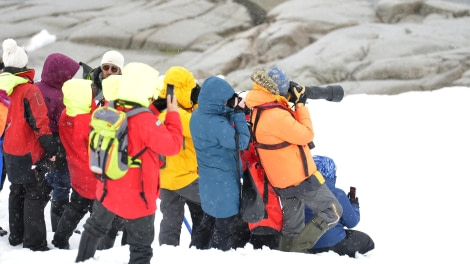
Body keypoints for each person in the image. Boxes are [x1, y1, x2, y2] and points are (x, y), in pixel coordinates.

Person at [75, 62, 183, 264]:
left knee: (94, 228)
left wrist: (153, 108)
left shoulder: (112, 107)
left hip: (108, 188)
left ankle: (82, 260)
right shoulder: (145, 121)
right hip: (137, 195)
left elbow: (133, 122)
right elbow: (173, 146)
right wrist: (173, 113)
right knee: (141, 249)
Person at [244, 66, 343, 253]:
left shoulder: (260, 107)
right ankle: (299, 250)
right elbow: (305, 135)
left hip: (281, 179)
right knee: (333, 211)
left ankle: (289, 255)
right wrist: (301, 105)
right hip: (299, 177)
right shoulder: (275, 114)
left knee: (292, 227)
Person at [0, 38, 57, 251]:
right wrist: (51, 148)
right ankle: (35, 242)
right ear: (24, 66)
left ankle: (16, 235)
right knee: (34, 193)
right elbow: (40, 123)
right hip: (28, 151)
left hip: (8, 150)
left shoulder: (2, 89)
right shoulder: (29, 90)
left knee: (16, 190)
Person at [189, 76, 250, 251]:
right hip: (224, 182)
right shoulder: (216, 124)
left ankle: (196, 251)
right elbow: (241, 141)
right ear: (218, 101)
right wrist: (239, 114)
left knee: (207, 222)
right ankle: (218, 257)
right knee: (224, 228)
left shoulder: (199, 115)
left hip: (208, 180)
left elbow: (219, 120)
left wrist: (231, 109)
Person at [155, 66, 204, 247]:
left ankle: (167, 254)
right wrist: (200, 103)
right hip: (185, 177)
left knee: (170, 222)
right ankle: (201, 251)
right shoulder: (177, 114)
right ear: (182, 89)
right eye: (190, 89)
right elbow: (200, 129)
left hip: (165, 177)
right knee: (206, 212)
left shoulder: (159, 107)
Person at [36, 53, 80, 232]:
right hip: (58, 143)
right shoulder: (61, 96)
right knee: (62, 182)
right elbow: (64, 122)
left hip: (39, 142)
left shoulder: (36, 87)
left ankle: (33, 214)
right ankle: (59, 226)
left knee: (47, 178)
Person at [51, 79, 96, 249]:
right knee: (99, 214)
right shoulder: (90, 121)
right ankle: (98, 246)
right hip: (94, 174)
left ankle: (60, 239)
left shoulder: (65, 116)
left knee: (75, 208)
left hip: (76, 171)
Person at [305, 155, 375, 257]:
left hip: (304, 243)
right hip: (332, 243)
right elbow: (352, 222)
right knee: (366, 241)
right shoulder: (337, 194)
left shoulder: (299, 193)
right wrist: (354, 205)